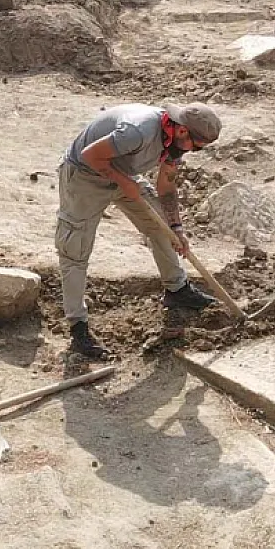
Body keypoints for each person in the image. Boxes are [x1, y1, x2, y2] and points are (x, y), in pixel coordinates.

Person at [56, 103, 223, 359]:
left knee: (161, 228)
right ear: (182, 131)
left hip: (123, 175)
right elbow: (91, 155)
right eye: (197, 146)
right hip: (85, 176)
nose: (196, 151)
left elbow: (166, 187)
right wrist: (123, 182)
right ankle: (78, 327)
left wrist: (176, 228)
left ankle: (177, 290)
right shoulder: (138, 130)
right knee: (75, 249)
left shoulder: (174, 142)